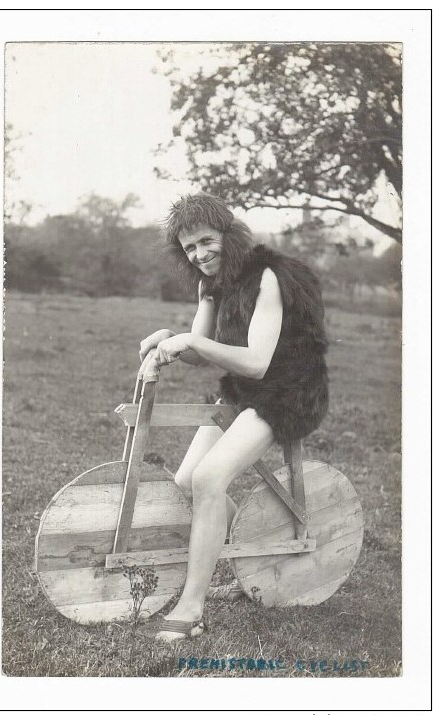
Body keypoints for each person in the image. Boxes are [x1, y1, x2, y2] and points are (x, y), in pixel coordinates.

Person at [138, 193, 329, 642]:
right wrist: (170, 338)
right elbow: (199, 352)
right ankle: (255, 552)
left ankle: (190, 609)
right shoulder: (211, 283)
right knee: (186, 484)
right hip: (244, 391)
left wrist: (193, 342)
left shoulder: (268, 278)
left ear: (228, 234)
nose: (200, 254)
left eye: (207, 241)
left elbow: (259, 362)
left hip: (288, 393)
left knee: (208, 480)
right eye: (189, 248)